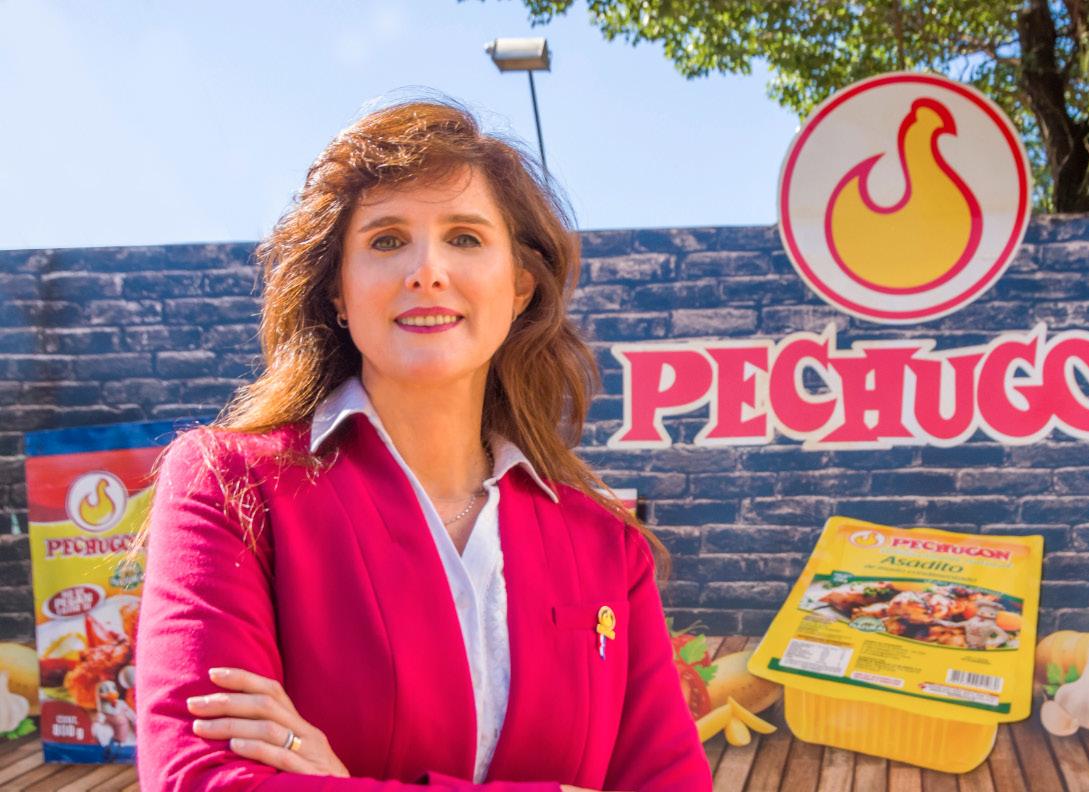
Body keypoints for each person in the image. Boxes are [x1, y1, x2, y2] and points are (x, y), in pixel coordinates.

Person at [133, 95, 712, 791]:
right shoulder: (231, 486)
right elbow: (200, 779)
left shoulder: (606, 547)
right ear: (339, 291)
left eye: (465, 238)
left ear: (520, 286)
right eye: (386, 241)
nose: (427, 271)